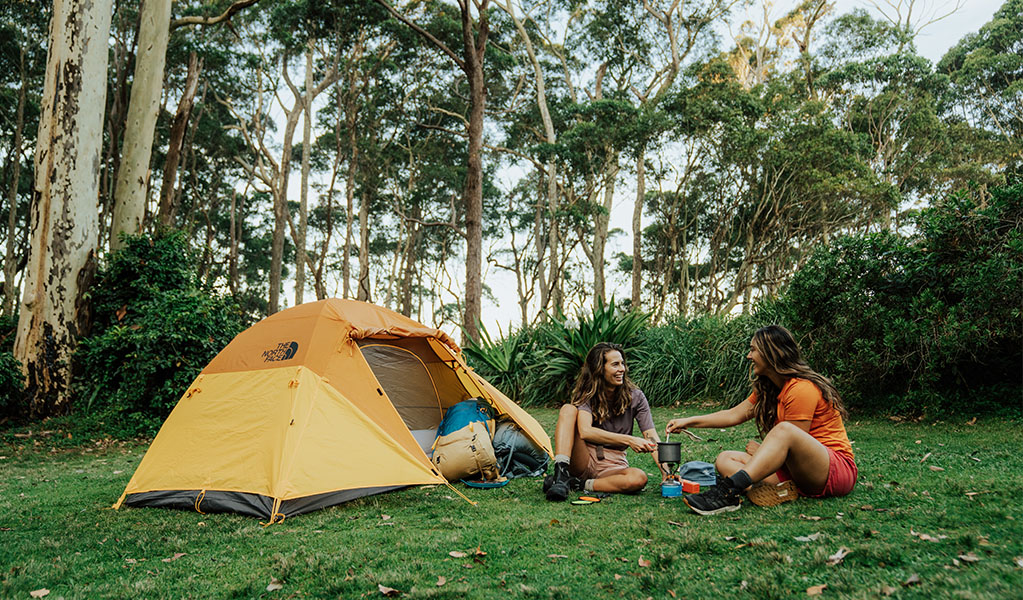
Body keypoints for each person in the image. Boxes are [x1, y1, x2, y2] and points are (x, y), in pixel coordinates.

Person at [666, 325, 857, 515]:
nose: (748, 356)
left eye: (753, 350)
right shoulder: (769, 389)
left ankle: (728, 492)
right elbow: (733, 415)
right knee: (725, 459)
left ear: (771, 352)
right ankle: (778, 491)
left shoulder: (801, 389)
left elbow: (794, 443)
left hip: (832, 471)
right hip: (796, 475)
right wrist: (687, 421)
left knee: (785, 430)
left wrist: (762, 451)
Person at [543, 342, 663, 501]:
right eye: (615, 364)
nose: (622, 369)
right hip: (583, 457)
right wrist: (629, 439)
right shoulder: (587, 395)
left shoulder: (636, 397)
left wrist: (667, 473)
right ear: (600, 369)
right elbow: (585, 432)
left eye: (622, 364)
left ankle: (577, 484)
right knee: (568, 409)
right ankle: (561, 473)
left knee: (638, 478)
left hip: (613, 465)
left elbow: (651, 437)